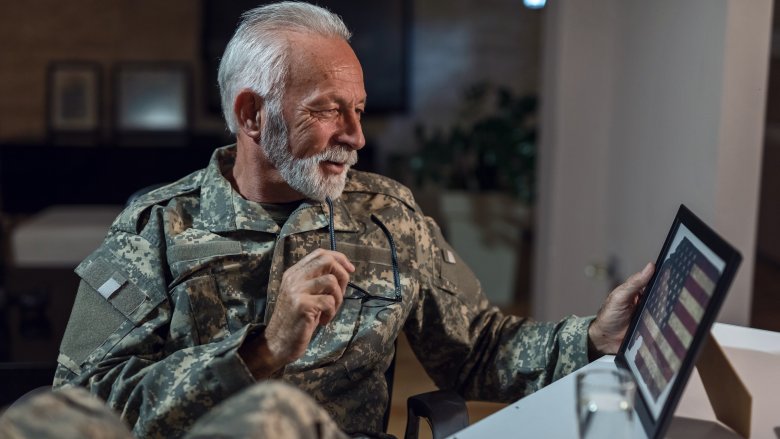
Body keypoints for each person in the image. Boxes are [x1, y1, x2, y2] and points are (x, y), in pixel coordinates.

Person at [5, 2, 653, 438]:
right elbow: (85, 406)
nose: (356, 136)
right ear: (253, 115)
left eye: (360, 110)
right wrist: (258, 351)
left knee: (274, 414)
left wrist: (594, 337)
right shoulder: (157, 226)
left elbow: (479, 350)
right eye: (327, 111)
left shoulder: (388, 215)